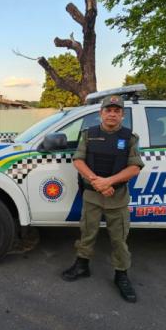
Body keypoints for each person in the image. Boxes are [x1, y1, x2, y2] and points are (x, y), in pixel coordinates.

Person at [62, 95, 144, 303]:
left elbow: (134, 167)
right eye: (108, 110)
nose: (112, 114)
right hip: (92, 195)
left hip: (117, 197)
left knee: (119, 239)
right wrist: (96, 181)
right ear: (101, 113)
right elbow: (78, 160)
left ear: (122, 116)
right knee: (87, 233)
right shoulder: (89, 135)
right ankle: (82, 265)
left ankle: (121, 275)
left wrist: (108, 182)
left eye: (117, 111)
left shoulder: (129, 138)